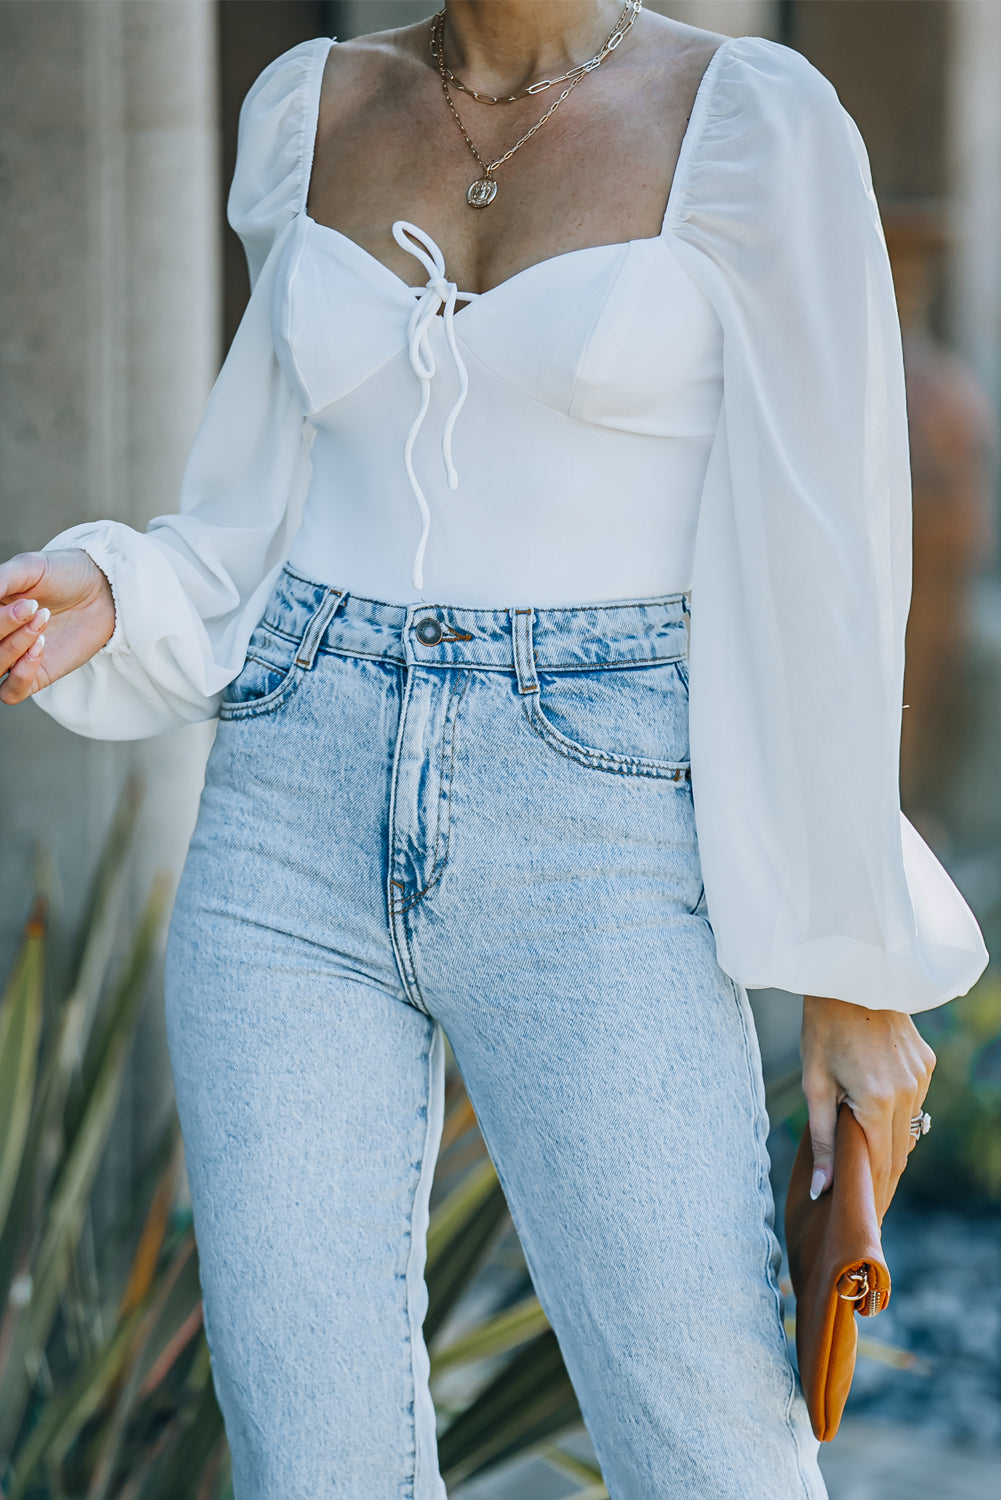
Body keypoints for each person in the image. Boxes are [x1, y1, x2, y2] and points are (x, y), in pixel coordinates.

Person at [0, 3, 988, 1495]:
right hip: (289, 810)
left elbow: (826, 562)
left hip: (600, 819)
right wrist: (122, 587)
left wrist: (849, 967)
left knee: (703, 1438)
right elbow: (250, 510)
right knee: (306, 1448)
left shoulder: (752, 121)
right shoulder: (308, 107)